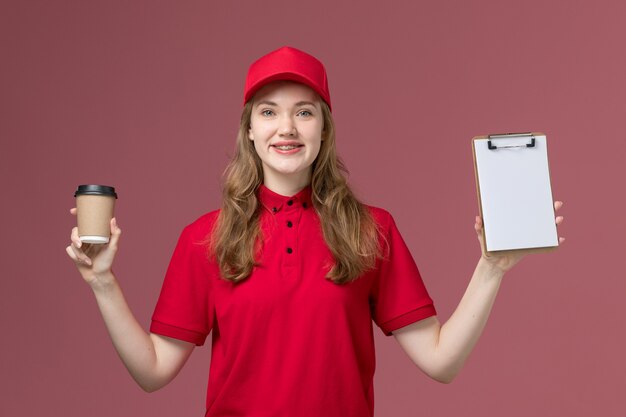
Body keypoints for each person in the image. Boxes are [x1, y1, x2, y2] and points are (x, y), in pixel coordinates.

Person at [66, 46, 565, 417]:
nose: (286, 127)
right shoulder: (204, 237)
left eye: (304, 112)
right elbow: (153, 373)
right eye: (269, 112)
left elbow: (441, 362)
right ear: (249, 133)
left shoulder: (372, 230)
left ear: (323, 130)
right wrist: (102, 283)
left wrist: (491, 268)